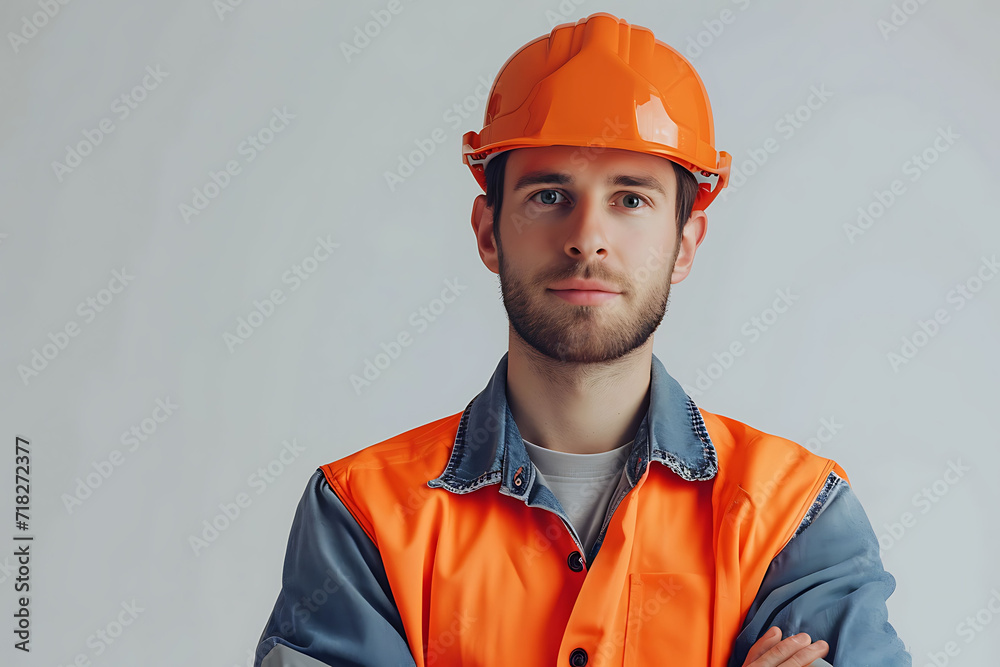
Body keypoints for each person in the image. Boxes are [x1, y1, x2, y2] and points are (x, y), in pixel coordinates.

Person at [253, 12, 911, 667]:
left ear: (684, 244)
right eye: (549, 195)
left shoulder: (793, 514)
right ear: (488, 231)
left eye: (630, 199)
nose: (586, 237)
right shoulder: (362, 516)